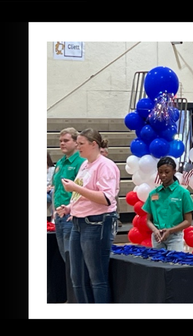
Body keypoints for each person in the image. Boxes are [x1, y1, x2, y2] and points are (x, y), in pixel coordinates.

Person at [60, 128, 119, 304]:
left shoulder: (105, 166)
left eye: (81, 144)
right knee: (77, 277)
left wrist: (75, 188)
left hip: (96, 223)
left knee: (97, 277)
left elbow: (106, 198)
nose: (78, 148)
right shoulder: (85, 165)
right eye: (77, 144)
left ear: (94, 144)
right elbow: (83, 194)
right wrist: (70, 207)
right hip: (79, 222)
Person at [142, 156, 193, 251]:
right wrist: (155, 230)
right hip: (157, 236)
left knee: (175, 264)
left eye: (167, 172)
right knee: (158, 264)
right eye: (160, 172)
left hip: (175, 237)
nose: (163, 175)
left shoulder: (183, 193)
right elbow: (148, 220)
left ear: (174, 171)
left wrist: (170, 230)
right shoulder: (153, 194)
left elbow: (188, 221)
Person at [50, 127, 84, 273]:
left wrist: (72, 210)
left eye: (66, 140)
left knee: (73, 257)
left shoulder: (81, 163)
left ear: (76, 143)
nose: (62, 144)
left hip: (71, 215)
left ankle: (79, 293)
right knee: (65, 256)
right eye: (60, 141)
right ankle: (72, 293)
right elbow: (55, 188)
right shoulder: (59, 163)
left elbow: (82, 191)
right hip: (59, 215)